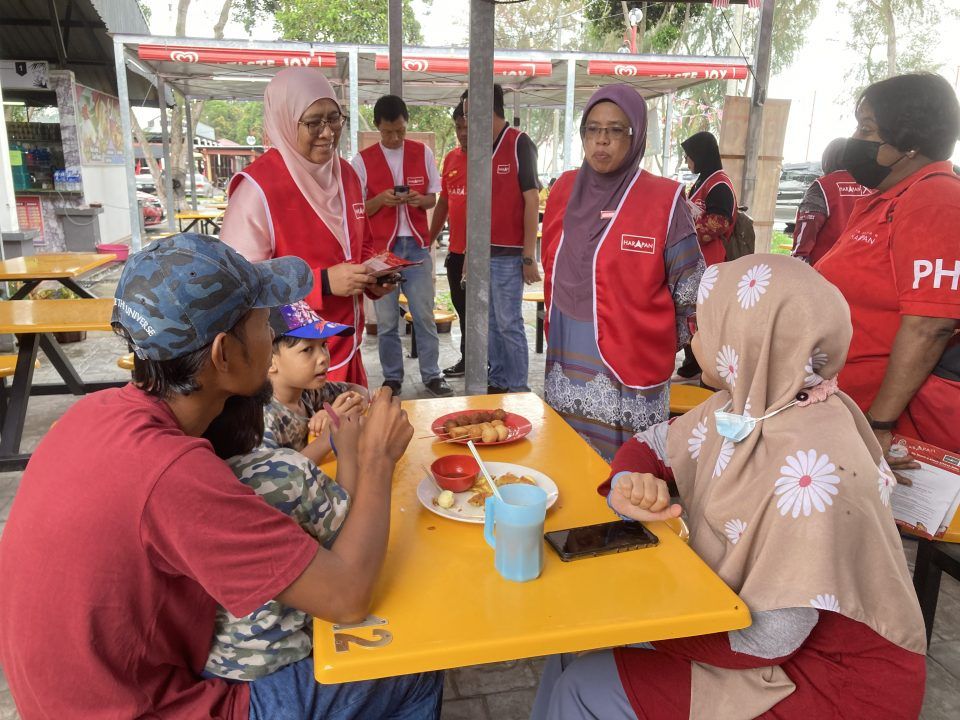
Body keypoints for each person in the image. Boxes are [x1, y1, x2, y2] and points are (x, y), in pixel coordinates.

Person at [0, 234, 443, 719]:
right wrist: (376, 459)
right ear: (223, 353)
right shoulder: (172, 472)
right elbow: (347, 596)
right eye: (262, 323)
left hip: (66, 698)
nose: (270, 335)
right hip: (150, 707)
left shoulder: (96, 412)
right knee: (412, 663)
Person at [532, 255, 926, 720]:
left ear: (744, 337)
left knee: (584, 683)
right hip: (763, 641)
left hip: (832, 684)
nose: (696, 338)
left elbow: (766, 639)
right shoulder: (759, 404)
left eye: (706, 324)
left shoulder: (818, 471)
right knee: (566, 647)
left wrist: (636, 622)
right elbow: (652, 445)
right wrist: (628, 481)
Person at [540, 85, 704, 462]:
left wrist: (653, 340)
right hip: (568, 357)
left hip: (633, 369)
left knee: (628, 474)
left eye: (615, 130)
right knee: (571, 463)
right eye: (592, 129)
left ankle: (625, 522)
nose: (601, 141)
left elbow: (693, 293)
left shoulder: (663, 201)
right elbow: (553, 268)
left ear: (636, 135)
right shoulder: (564, 190)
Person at [817, 72, 960, 455]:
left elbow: (931, 325)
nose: (856, 139)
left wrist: (879, 424)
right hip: (842, 408)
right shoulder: (888, 198)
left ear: (909, 143)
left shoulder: (935, 200)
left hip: (878, 424)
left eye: (867, 128)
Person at [221, 68, 384, 387]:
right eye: (313, 123)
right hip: (290, 369)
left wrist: (373, 274)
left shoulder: (347, 176)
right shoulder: (259, 189)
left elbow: (361, 245)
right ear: (284, 120)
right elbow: (238, 284)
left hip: (346, 348)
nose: (328, 133)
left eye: (334, 118)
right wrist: (321, 282)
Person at [203, 387, 356, 681]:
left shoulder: (187, 474)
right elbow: (349, 541)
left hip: (215, 662)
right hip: (280, 665)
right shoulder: (282, 471)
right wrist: (356, 453)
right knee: (416, 675)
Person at [352, 94, 451, 398]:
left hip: (417, 247)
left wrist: (417, 200)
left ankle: (432, 375)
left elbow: (433, 198)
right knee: (385, 321)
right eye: (387, 132)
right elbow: (358, 208)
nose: (394, 138)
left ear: (406, 124)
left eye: (400, 131)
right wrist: (381, 200)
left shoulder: (422, 153)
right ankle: (392, 377)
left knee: (423, 315)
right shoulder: (362, 160)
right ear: (378, 127)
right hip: (383, 252)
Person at [460, 84, 542, 393]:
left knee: (509, 323)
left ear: (486, 110)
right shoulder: (479, 151)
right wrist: (469, 252)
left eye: (469, 115)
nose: (466, 122)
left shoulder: (520, 143)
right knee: (490, 323)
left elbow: (532, 200)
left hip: (510, 255)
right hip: (482, 253)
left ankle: (519, 388)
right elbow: (476, 205)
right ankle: (497, 381)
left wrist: (528, 256)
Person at [263, 301, 367, 465]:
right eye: (307, 349)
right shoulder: (263, 419)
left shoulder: (306, 392)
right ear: (269, 360)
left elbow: (359, 390)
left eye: (324, 345)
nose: (324, 357)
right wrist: (328, 437)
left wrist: (336, 411)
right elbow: (274, 479)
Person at [429, 101, 469, 377]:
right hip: (456, 251)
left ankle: (490, 365)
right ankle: (470, 361)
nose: (463, 132)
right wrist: (429, 237)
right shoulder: (452, 159)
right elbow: (444, 201)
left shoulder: (488, 159)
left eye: (467, 127)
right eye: (458, 127)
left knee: (486, 315)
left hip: (484, 253)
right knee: (462, 309)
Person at [791, 138, 869, 264]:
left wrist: (797, 260)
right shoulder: (870, 186)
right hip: (861, 265)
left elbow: (807, 227)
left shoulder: (823, 186)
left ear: (828, 158)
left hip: (825, 268)